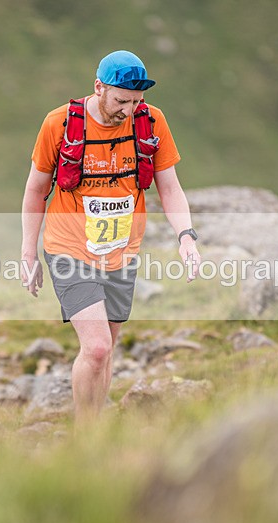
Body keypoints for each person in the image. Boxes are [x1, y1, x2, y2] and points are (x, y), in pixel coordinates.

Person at [21, 50, 200, 425]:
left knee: (107, 349)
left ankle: (96, 430)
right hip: (69, 248)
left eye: (136, 101)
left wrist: (186, 236)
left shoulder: (151, 121)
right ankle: (85, 434)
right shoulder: (58, 123)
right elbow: (36, 190)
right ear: (99, 87)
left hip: (122, 252)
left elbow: (170, 188)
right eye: (121, 101)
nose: (129, 110)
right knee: (98, 347)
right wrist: (28, 253)